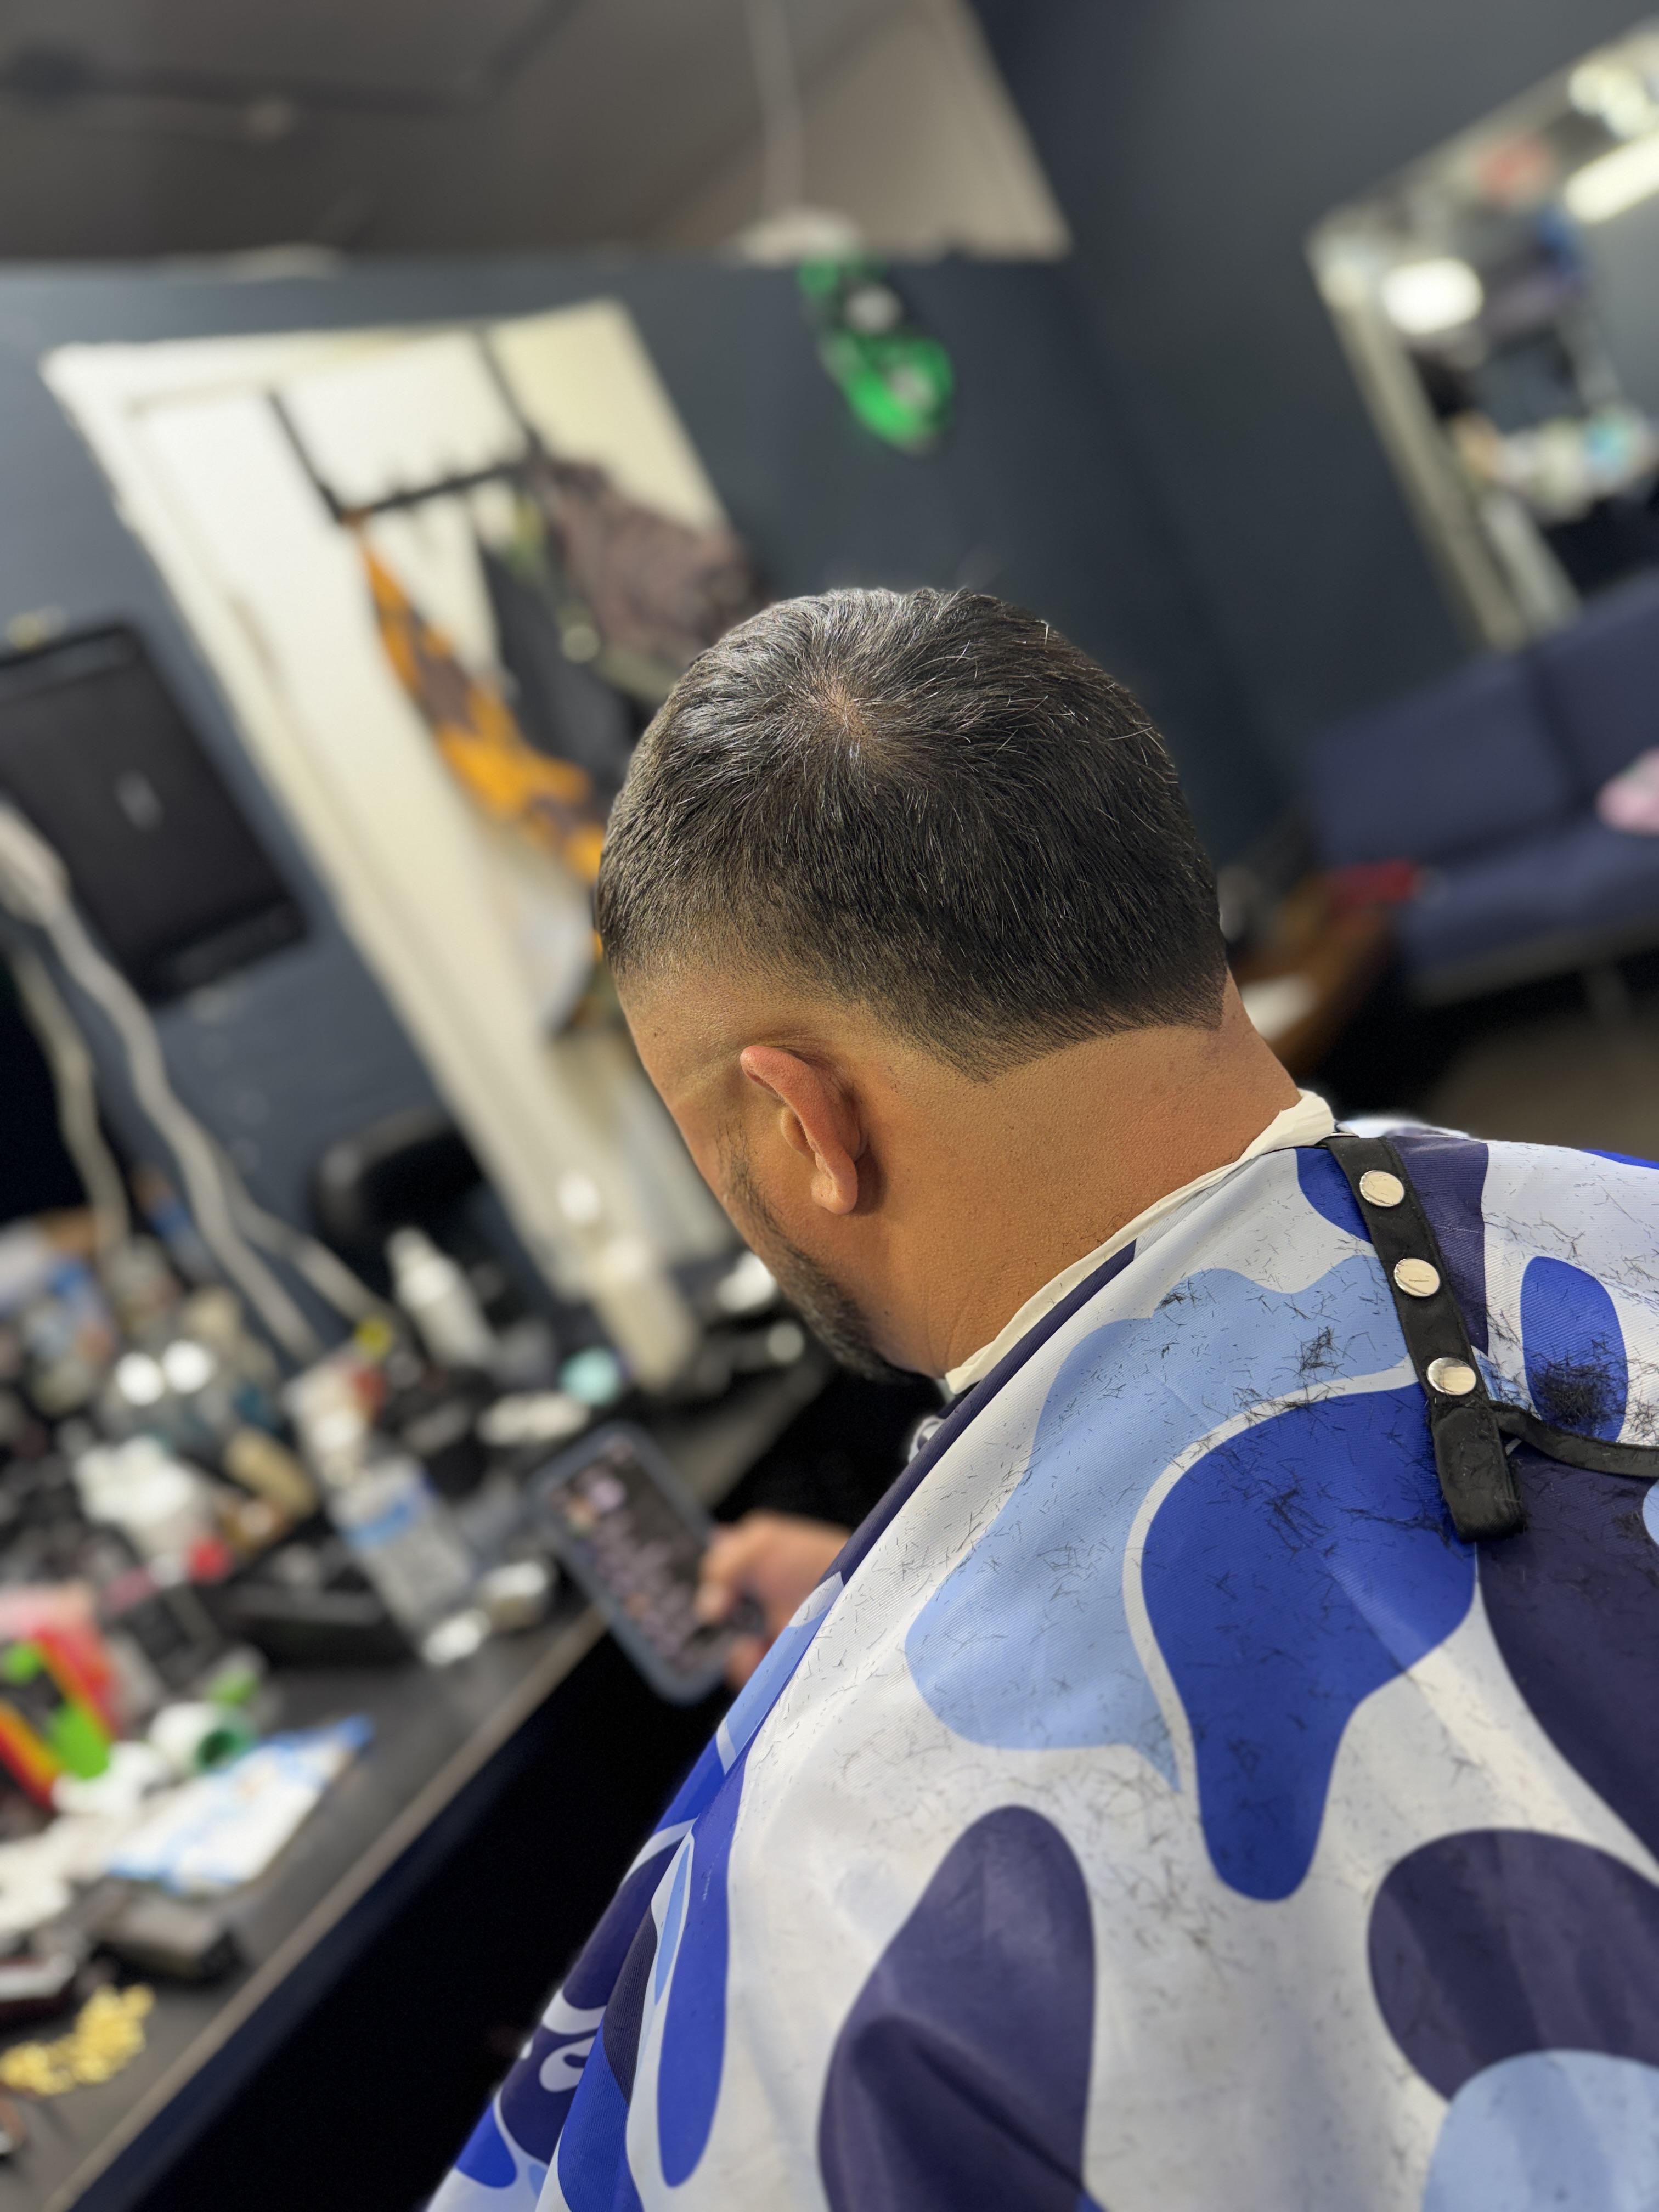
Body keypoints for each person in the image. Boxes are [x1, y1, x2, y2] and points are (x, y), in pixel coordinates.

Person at [435, 589, 1659, 2212]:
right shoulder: (1619, 1225)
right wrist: (936, 1598)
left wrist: (907, 1654)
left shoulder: (838, 1874)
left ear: (804, 1126)